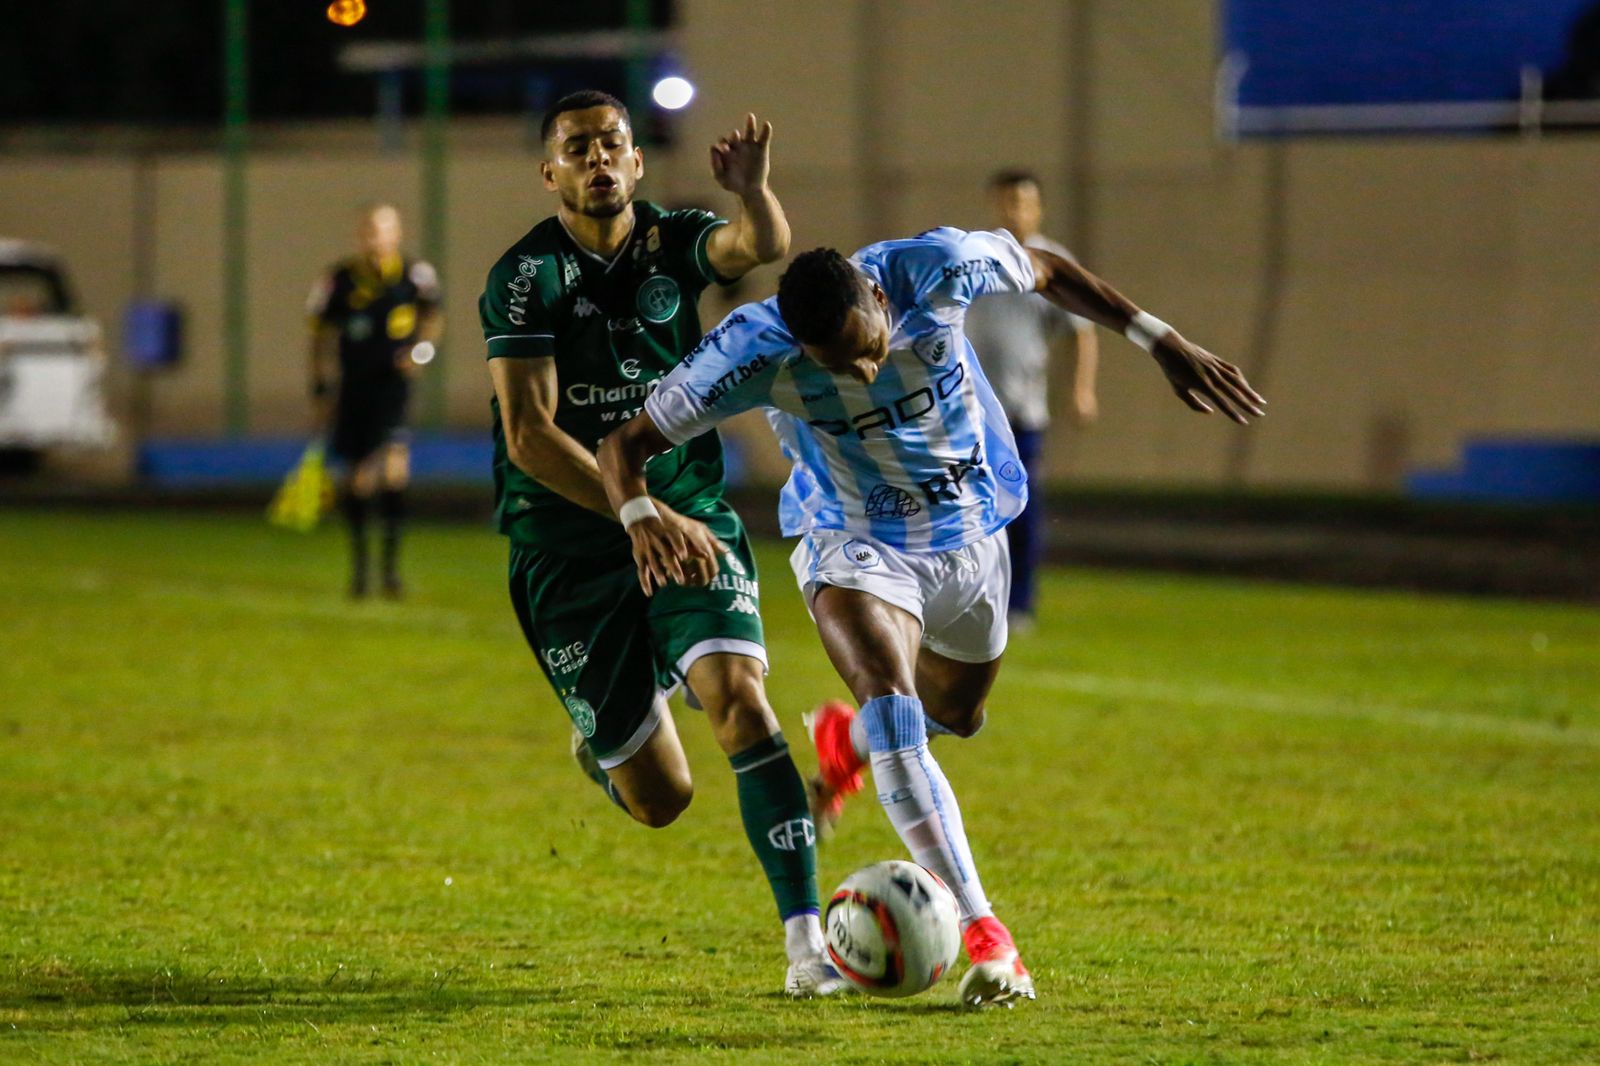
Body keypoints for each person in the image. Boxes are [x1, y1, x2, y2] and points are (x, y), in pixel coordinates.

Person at [598, 227, 1264, 1008]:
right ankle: (990, 937)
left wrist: (1158, 337)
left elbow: (1045, 269)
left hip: (973, 534)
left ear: (879, 299)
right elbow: (625, 444)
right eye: (838, 366)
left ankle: (844, 742)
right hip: (856, 547)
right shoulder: (748, 352)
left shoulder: (937, 268)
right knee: (895, 708)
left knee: (960, 711)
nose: (865, 370)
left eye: (868, 347)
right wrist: (640, 511)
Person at [477, 90, 844, 997]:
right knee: (662, 801)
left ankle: (806, 950)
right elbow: (528, 435)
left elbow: (756, 247)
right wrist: (631, 510)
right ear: (550, 171)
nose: (598, 159)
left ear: (637, 163)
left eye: (614, 144)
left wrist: (754, 192)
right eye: (578, 148)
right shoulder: (525, 277)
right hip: (571, 546)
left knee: (743, 704)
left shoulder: (671, 239)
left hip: (683, 516)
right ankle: (601, 745)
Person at [964, 170, 1098, 629]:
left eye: (1023, 203)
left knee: (1020, 507)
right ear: (992, 205)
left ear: (1038, 208)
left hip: (1022, 410)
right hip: (969, 410)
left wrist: (1081, 388)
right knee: (968, 508)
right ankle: (974, 599)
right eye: (1005, 202)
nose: (1014, 212)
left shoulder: (1051, 262)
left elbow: (1083, 331)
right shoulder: (975, 256)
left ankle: (1019, 603)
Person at [307, 203, 442, 598]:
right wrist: (320, 387)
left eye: (383, 231)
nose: (375, 239)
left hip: (392, 388)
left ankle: (391, 572)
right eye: (369, 231)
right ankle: (360, 571)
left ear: (396, 234)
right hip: (353, 389)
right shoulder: (339, 280)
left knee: (396, 469)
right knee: (359, 479)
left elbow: (434, 319)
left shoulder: (415, 276)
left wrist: (419, 352)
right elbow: (319, 336)